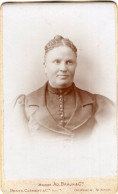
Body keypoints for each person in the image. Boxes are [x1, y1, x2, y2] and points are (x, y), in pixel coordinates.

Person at [8, 35, 116, 179]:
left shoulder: (97, 104)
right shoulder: (24, 105)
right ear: (45, 66)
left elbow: (108, 156)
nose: (63, 68)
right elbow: (18, 158)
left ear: (75, 65)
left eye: (69, 62)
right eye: (56, 62)